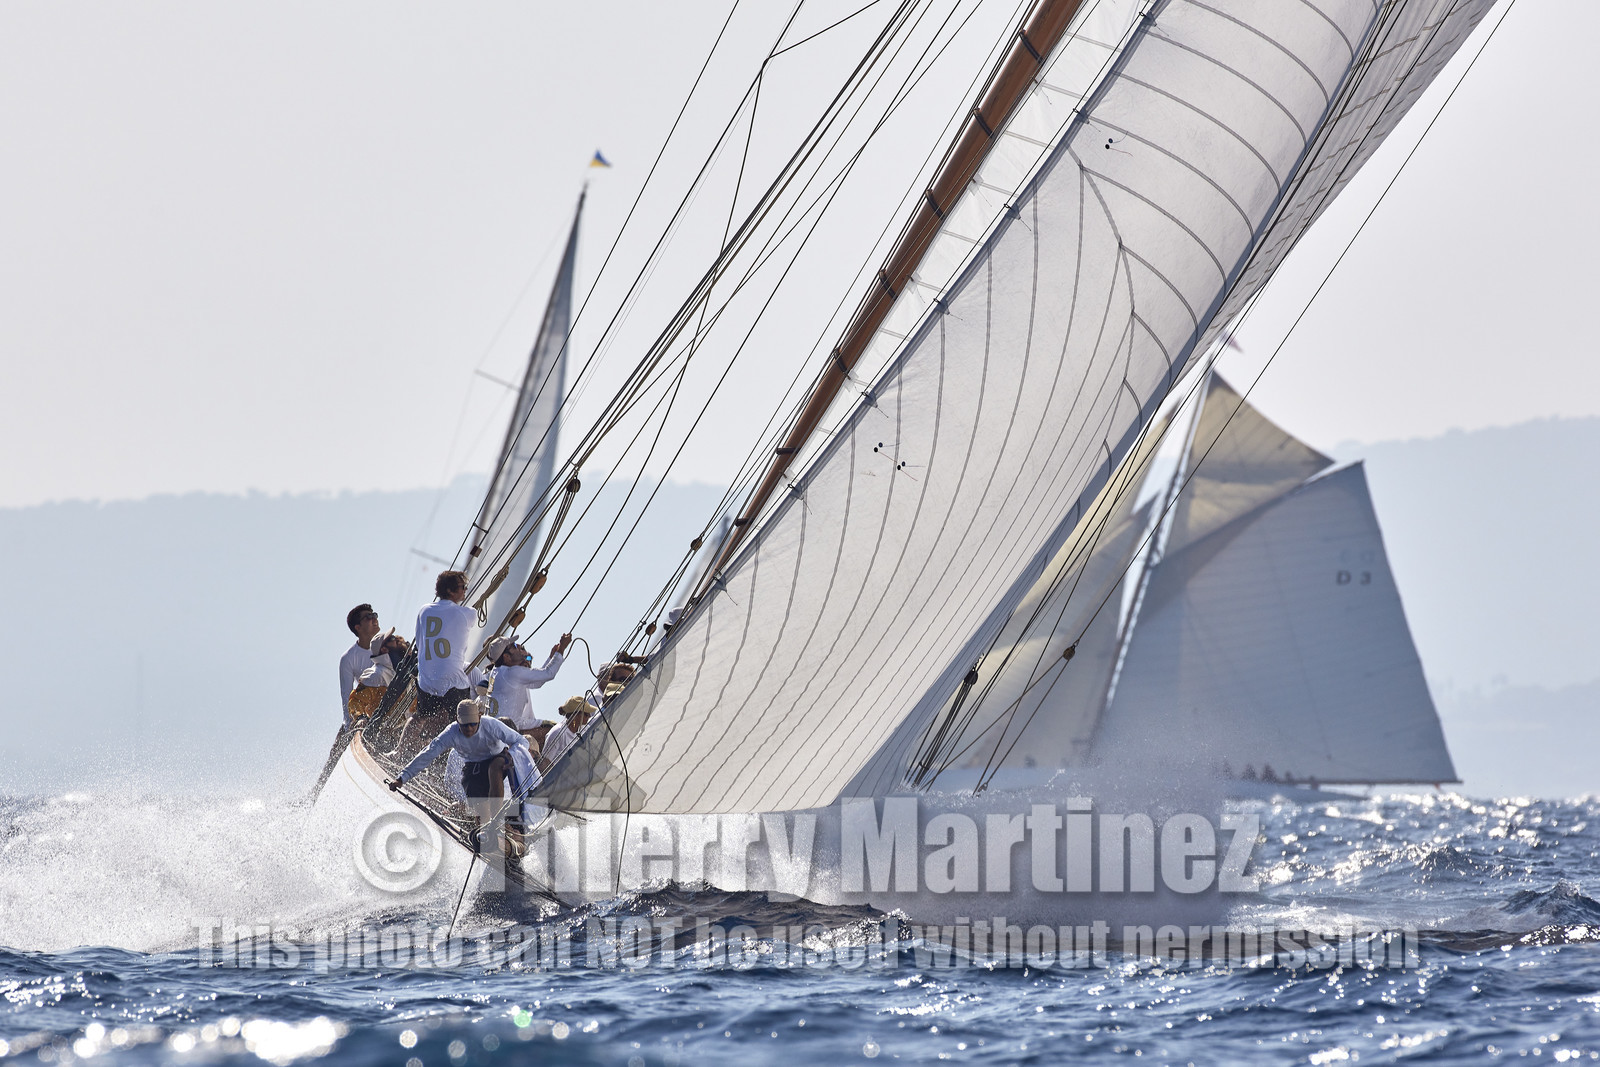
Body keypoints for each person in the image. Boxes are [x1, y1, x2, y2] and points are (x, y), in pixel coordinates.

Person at [388, 697, 538, 854]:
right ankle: (487, 833)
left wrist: (512, 755)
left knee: (494, 767)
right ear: (457, 720)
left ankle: (495, 823)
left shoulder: (491, 725)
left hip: (500, 760)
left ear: (479, 717)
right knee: (474, 793)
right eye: (464, 725)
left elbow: (521, 741)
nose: (469, 729)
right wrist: (402, 778)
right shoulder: (451, 733)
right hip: (474, 767)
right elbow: (428, 753)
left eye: (473, 724)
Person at [412, 570, 484, 736]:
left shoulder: (424, 610)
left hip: (426, 681)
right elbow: (470, 615)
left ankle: (402, 747)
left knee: (419, 717)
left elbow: (419, 640)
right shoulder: (468, 614)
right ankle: (458, 748)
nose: (465, 590)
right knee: (464, 719)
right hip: (452, 681)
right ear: (450, 591)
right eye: (462, 587)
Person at [484, 632, 572, 751]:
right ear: (506, 657)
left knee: (549, 728)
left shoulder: (497, 671)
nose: (518, 647)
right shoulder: (512, 673)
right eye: (514, 646)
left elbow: (536, 682)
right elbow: (548, 674)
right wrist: (561, 649)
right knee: (555, 731)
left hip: (498, 732)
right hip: (508, 733)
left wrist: (552, 657)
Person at [348, 629, 409, 721]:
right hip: (387, 727)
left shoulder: (405, 672)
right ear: (384, 649)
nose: (397, 639)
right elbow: (356, 701)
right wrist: (360, 718)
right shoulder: (375, 675)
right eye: (392, 638)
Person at [339, 604, 381, 725]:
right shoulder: (348, 658)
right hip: (367, 713)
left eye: (375, 615)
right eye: (369, 617)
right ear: (358, 627)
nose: (374, 619)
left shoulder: (389, 645)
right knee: (345, 729)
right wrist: (349, 726)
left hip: (395, 703)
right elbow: (347, 697)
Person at [542, 695, 593, 766]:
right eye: (586, 714)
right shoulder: (557, 733)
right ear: (576, 716)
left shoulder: (585, 729)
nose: (590, 716)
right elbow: (545, 764)